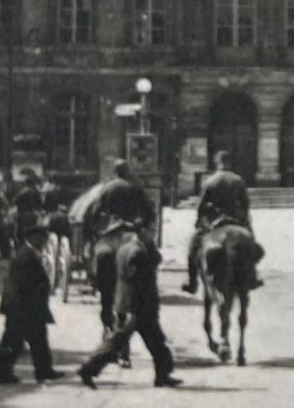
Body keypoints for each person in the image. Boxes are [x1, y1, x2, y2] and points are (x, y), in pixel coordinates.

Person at [78, 160, 181, 389]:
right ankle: (90, 368)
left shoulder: (106, 188)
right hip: (138, 303)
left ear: (115, 172)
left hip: (111, 236)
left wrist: (91, 236)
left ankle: (162, 374)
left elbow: (94, 213)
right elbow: (147, 211)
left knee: (151, 340)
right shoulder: (135, 192)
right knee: (130, 338)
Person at [0, 219, 65, 385]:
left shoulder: (28, 253)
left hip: (28, 307)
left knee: (37, 340)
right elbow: (23, 284)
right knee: (14, 341)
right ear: (33, 238)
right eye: (43, 238)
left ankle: (43, 371)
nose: (45, 242)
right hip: (23, 307)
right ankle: (2, 373)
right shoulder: (25, 255)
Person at [182, 151, 264, 294]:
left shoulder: (210, 181)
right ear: (230, 162)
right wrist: (244, 221)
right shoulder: (238, 180)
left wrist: (199, 222)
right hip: (236, 220)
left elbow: (201, 205)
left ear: (217, 162)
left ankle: (192, 281)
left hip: (215, 221)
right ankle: (253, 276)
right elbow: (245, 204)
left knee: (193, 247)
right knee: (253, 246)